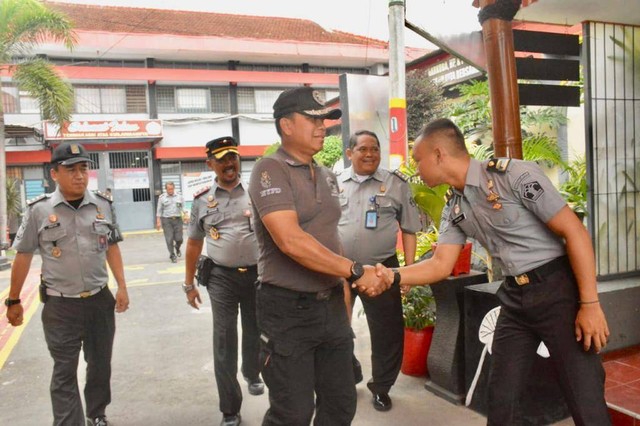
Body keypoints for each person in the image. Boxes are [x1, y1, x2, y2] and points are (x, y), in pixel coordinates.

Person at [375, 118, 611, 425]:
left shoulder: (512, 175)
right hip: (514, 298)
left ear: (438, 154)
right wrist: (392, 275)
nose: (417, 169)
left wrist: (590, 304)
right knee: (500, 398)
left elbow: (574, 232)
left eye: (419, 160)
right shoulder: (454, 206)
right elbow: (440, 264)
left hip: (557, 292)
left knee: (585, 397)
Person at [247, 86, 390, 426]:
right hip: (286, 311)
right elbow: (291, 241)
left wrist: (342, 290)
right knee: (292, 412)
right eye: (312, 119)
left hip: (329, 309)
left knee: (341, 403)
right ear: (286, 125)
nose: (321, 126)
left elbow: (330, 237)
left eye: (324, 119)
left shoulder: (326, 175)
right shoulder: (269, 170)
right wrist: (355, 271)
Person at [5, 142, 129, 426]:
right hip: (60, 305)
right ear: (54, 174)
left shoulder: (103, 205)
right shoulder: (39, 211)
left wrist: (121, 286)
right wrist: (13, 300)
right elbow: (23, 256)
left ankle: (96, 413)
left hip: (99, 300)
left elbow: (112, 247)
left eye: (84, 168)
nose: (79, 175)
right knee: (64, 370)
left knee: (100, 366)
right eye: (71, 169)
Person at [337, 130, 422, 412]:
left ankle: (381, 387)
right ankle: (348, 372)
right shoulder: (332, 183)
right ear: (349, 153)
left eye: (375, 148)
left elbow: (409, 228)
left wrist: (407, 272)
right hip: (339, 269)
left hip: (382, 269)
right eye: (362, 149)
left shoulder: (395, 184)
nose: (370, 154)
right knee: (334, 328)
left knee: (387, 332)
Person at [183, 136, 263, 426]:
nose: (229, 163)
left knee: (255, 329)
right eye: (222, 159)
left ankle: (252, 373)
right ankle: (230, 408)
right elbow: (193, 244)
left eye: (233, 157)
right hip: (220, 277)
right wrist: (189, 284)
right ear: (210, 164)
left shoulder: (257, 192)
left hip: (257, 274)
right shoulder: (202, 200)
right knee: (224, 339)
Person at [156, 181, 184, 263]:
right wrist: (158, 221)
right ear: (166, 189)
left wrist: (186, 215)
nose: (170, 191)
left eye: (172, 189)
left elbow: (183, 207)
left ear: (174, 188)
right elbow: (159, 210)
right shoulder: (162, 198)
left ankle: (177, 247)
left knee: (179, 239)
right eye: (169, 189)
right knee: (169, 239)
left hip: (178, 219)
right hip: (166, 220)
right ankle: (172, 255)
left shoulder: (179, 196)